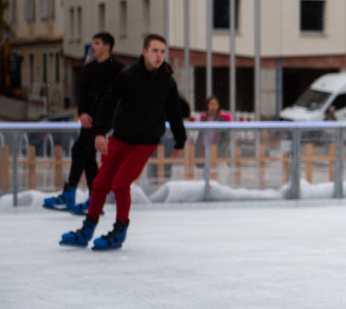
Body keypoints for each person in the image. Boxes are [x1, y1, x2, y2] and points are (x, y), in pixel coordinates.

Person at [60, 35, 187, 251]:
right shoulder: (127, 75)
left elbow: (174, 112)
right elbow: (107, 103)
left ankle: (119, 231)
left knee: (120, 184)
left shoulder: (167, 82)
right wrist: (100, 132)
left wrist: (180, 140)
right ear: (144, 52)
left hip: (145, 142)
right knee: (100, 184)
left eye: (162, 52)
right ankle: (87, 230)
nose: (159, 56)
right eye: (155, 50)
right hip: (120, 137)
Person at [43, 33, 124, 214]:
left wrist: (105, 122)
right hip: (88, 121)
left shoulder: (117, 69)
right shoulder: (89, 68)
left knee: (79, 150)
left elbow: (117, 99)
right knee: (86, 157)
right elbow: (81, 94)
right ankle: (93, 201)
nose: (93, 46)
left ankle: (70, 194)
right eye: (93, 42)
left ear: (107, 46)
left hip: (104, 122)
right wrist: (83, 112)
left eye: (97, 43)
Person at [194, 94, 232, 160]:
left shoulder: (222, 121)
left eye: (215, 104)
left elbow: (227, 139)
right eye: (211, 104)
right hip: (204, 152)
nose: (214, 107)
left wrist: (220, 152)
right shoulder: (203, 121)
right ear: (207, 106)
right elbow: (199, 138)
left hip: (218, 154)